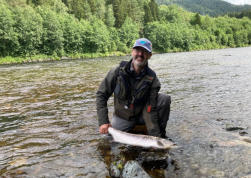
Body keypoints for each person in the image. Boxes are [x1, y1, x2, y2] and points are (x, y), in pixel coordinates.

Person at [96, 38, 171, 138]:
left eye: (144, 51)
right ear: (132, 52)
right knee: (107, 139)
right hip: (123, 116)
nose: (140, 54)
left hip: (142, 115)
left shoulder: (152, 79)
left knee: (164, 99)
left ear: (149, 55)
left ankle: (158, 134)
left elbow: (150, 108)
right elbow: (101, 95)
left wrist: (156, 137)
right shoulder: (117, 71)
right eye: (137, 50)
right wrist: (103, 121)